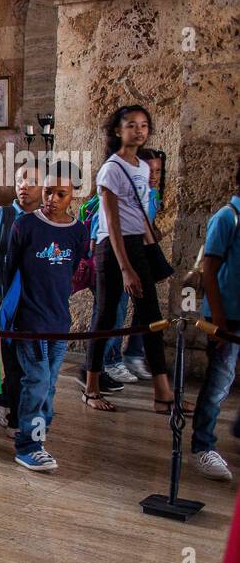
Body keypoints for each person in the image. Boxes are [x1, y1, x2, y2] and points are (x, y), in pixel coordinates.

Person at [82, 105, 180, 413]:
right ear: (117, 130)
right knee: (107, 317)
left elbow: (139, 214)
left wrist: (151, 254)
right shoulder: (111, 168)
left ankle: (163, 393)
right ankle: (91, 386)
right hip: (112, 248)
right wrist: (126, 269)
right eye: (132, 125)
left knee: (152, 317)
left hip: (136, 244)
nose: (138, 130)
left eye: (143, 125)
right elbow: (111, 222)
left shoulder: (141, 166)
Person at [0, 159, 87, 471]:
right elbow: (9, 272)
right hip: (30, 319)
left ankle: (39, 431)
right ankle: (28, 444)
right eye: (48, 192)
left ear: (73, 196)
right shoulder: (25, 226)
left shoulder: (78, 231)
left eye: (60, 194)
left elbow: (73, 269)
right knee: (35, 380)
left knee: (49, 383)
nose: (52, 199)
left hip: (59, 320)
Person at [0, 163, 43, 433]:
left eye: (31, 181)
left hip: (35, 301)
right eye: (19, 180)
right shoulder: (3, 215)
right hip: (7, 300)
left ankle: (13, 400)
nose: (23, 186)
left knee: (32, 362)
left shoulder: (46, 220)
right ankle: (15, 415)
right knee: (12, 360)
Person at [190, 161, 240, 480]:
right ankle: (202, 445)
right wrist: (218, 318)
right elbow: (209, 268)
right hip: (227, 315)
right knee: (219, 380)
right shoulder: (227, 217)